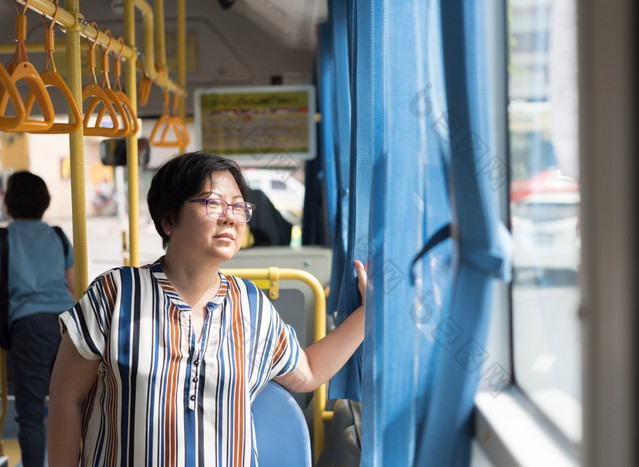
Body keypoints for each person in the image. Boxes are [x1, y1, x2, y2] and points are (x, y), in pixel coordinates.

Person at [47, 151, 367, 466]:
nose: (230, 217)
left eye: (239, 207)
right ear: (168, 219)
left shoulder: (252, 306)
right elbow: (66, 399)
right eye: (213, 203)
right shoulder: (114, 294)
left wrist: (367, 314)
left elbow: (307, 372)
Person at [1, 171, 75, 467]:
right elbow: (72, 286)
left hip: (28, 326)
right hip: (67, 326)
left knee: (30, 412)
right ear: (44, 201)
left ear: (9, 201)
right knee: (69, 404)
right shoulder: (57, 235)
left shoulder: (5, 238)